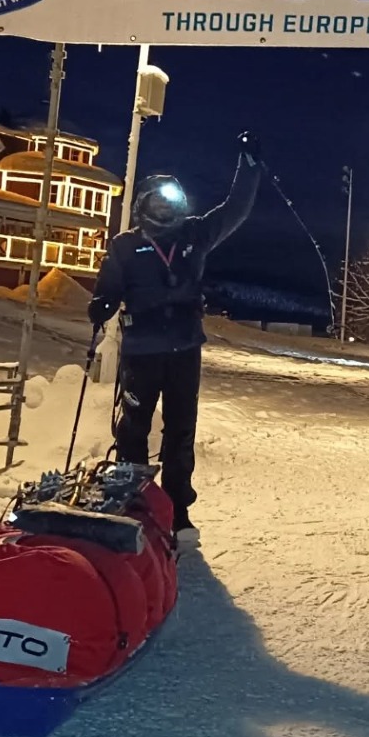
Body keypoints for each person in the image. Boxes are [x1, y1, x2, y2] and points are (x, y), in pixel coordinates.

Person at [88, 131, 263, 546]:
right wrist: (101, 303)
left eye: (172, 202)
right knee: (133, 429)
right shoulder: (125, 245)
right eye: (157, 202)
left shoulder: (194, 235)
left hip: (184, 350)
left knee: (181, 431)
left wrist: (250, 166)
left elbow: (235, 209)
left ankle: (178, 510)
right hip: (141, 351)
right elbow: (108, 287)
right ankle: (133, 503)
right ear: (143, 205)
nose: (164, 209)